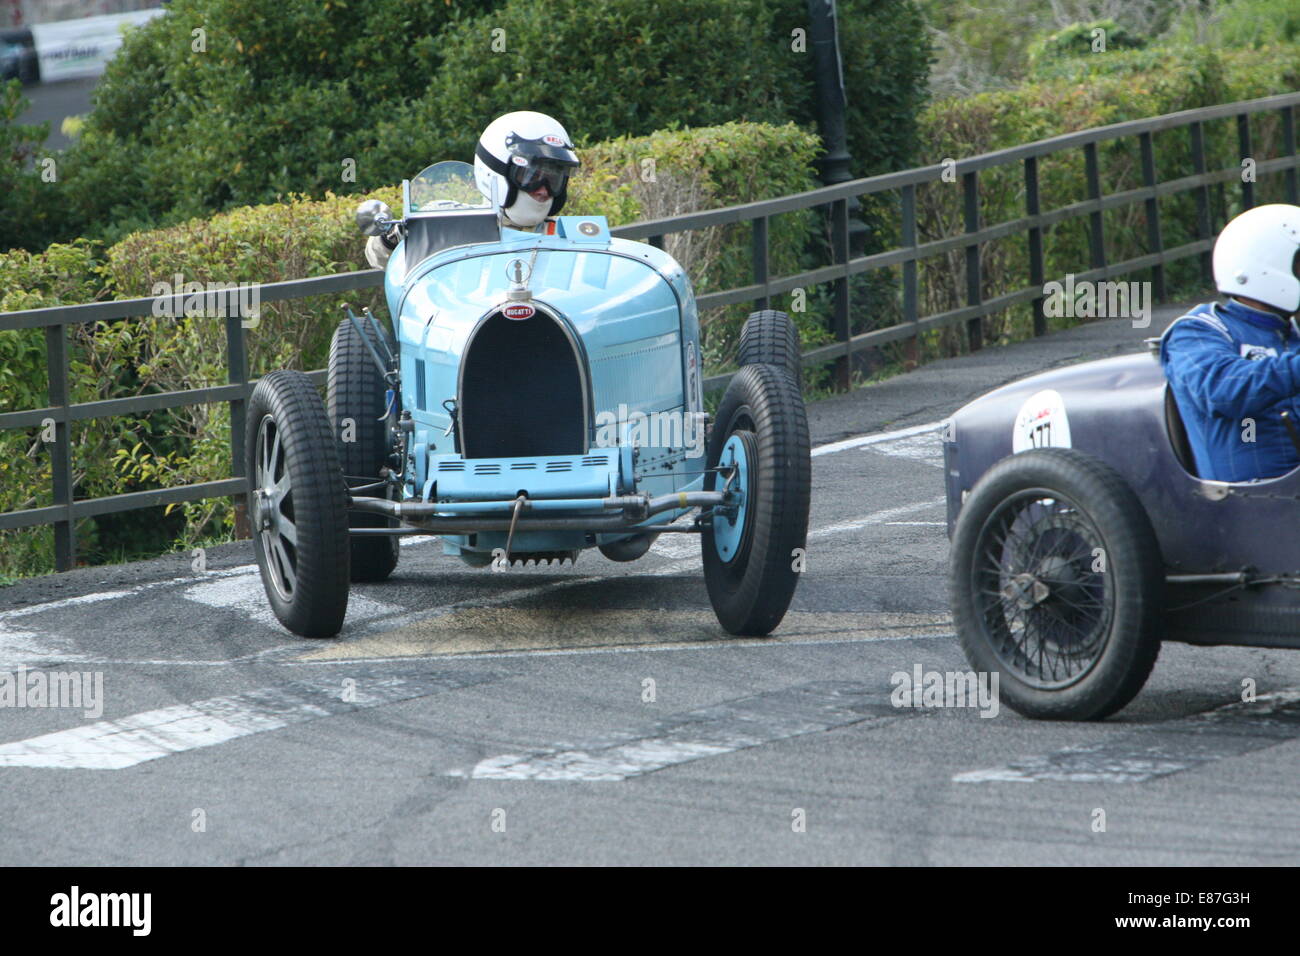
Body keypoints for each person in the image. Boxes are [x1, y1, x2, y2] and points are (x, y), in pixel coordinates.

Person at [1160, 203, 1300, 481]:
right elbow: (1223, 391)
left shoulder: (1292, 332)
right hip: (1256, 502)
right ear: (1268, 267)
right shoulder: (1199, 330)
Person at [365, 111, 580, 269]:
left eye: (554, 179)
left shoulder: (567, 236)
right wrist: (397, 234)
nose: (543, 190)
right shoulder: (449, 218)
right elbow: (377, 257)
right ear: (496, 170)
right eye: (531, 177)